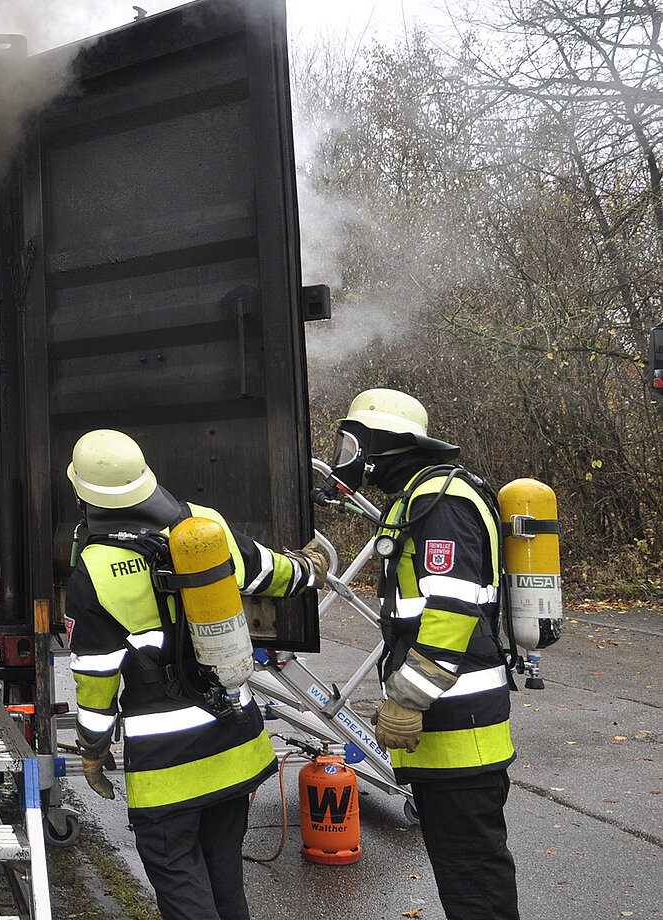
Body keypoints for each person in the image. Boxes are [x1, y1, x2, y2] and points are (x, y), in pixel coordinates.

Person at [66, 429, 326, 920]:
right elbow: (269, 572)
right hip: (234, 744)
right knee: (224, 875)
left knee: (180, 879)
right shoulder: (202, 525)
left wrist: (93, 750)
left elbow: (96, 680)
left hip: (167, 770)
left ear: (82, 492)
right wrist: (311, 568)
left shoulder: (93, 572)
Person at [330, 388, 518, 920]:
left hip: (460, 730)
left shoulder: (442, 500)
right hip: (448, 729)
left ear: (383, 444)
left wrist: (407, 699)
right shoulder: (418, 497)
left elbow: (451, 608)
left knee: (474, 883)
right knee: (464, 879)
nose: (348, 456)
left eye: (354, 443)